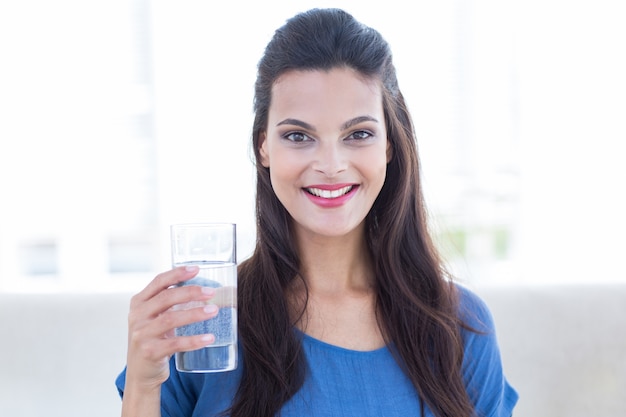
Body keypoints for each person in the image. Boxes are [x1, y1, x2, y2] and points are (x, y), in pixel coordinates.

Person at [116, 8, 518, 417]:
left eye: (358, 134)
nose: (330, 164)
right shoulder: (208, 321)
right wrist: (143, 385)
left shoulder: (458, 326)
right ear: (264, 147)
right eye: (298, 136)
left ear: (389, 146)